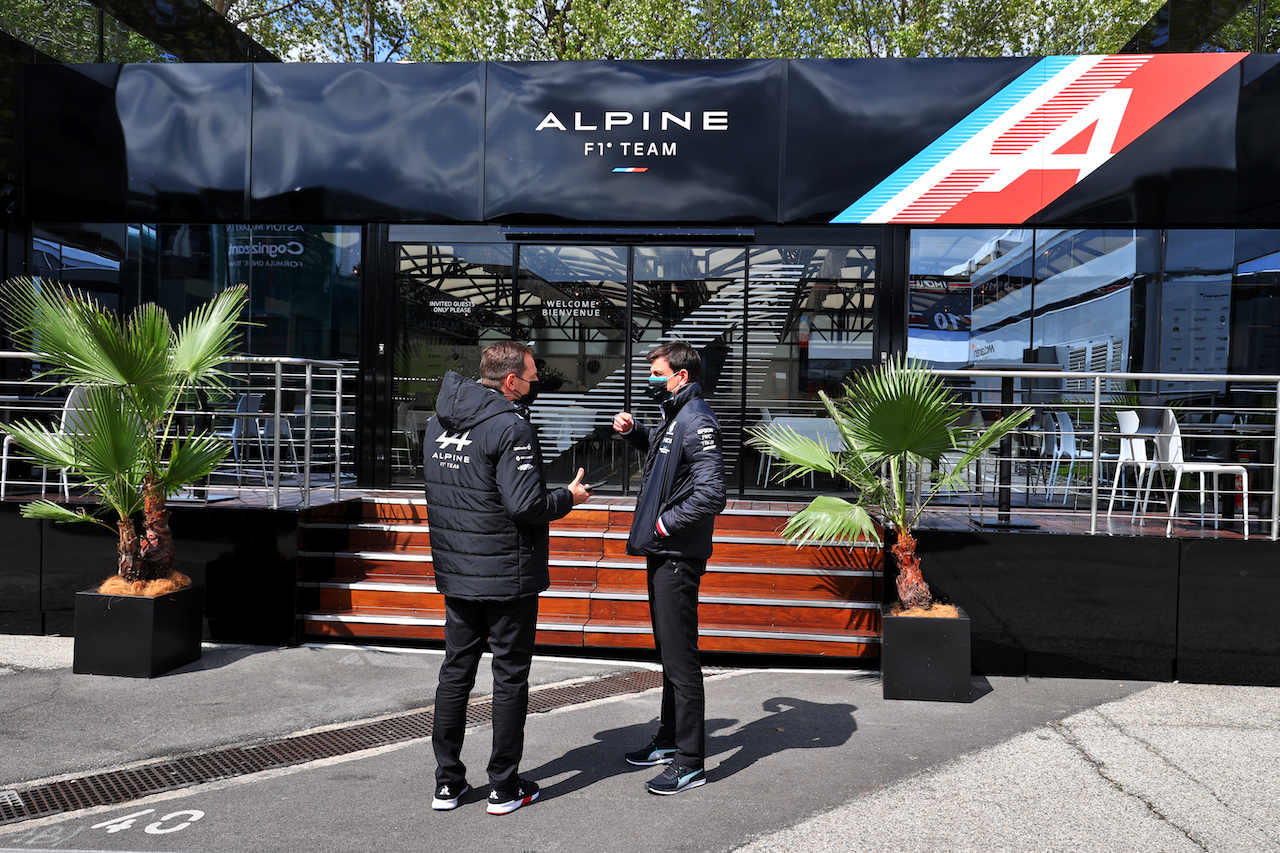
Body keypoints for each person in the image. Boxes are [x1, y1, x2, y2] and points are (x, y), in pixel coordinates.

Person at [422, 340, 591, 815]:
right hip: (506, 574)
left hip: (457, 572)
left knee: (456, 672)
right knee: (509, 677)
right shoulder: (511, 426)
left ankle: (447, 784)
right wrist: (569, 497)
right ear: (511, 380)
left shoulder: (438, 421)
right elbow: (526, 505)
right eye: (533, 379)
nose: (536, 385)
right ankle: (503, 786)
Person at [612, 340, 726, 795]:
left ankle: (690, 761)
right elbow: (668, 461)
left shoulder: (697, 418)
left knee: (681, 659)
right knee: (668, 652)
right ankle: (667, 739)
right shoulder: (676, 414)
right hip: (664, 550)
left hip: (677, 553)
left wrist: (663, 524)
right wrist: (636, 431)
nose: (650, 380)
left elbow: (711, 492)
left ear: (681, 376)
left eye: (657, 373)